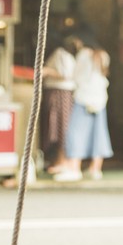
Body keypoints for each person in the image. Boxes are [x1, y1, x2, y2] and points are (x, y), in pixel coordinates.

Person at [54, 30, 111, 182]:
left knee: (75, 132)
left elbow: (76, 76)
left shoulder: (84, 55)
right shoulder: (104, 55)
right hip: (100, 100)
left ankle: (74, 168)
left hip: (84, 98)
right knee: (98, 134)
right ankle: (95, 169)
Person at [41, 34, 78, 174]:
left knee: (60, 127)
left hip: (60, 93)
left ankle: (62, 161)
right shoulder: (67, 56)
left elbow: (65, 74)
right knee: (60, 127)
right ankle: (58, 161)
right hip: (63, 93)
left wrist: (46, 71)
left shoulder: (61, 54)